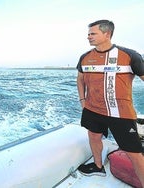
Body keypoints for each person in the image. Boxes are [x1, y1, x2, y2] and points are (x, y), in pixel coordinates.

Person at [76, 19, 144, 185]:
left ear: (107, 34)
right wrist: (82, 100)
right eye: (88, 34)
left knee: (133, 152)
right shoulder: (85, 57)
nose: (88, 37)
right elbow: (80, 78)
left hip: (120, 112)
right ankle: (98, 166)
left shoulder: (129, 55)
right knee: (93, 136)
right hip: (92, 110)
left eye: (93, 33)